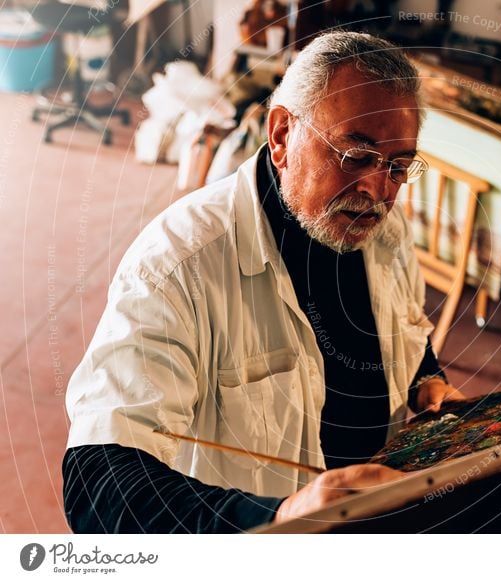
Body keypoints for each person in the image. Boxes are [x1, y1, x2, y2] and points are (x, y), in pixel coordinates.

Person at [63, 31, 466, 533]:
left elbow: (405, 331)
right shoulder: (178, 264)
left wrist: (426, 380)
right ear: (281, 137)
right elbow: (97, 482)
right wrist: (280, 519)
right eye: (355, 157)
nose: (379, 190)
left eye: (399, 166)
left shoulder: (386, 230)